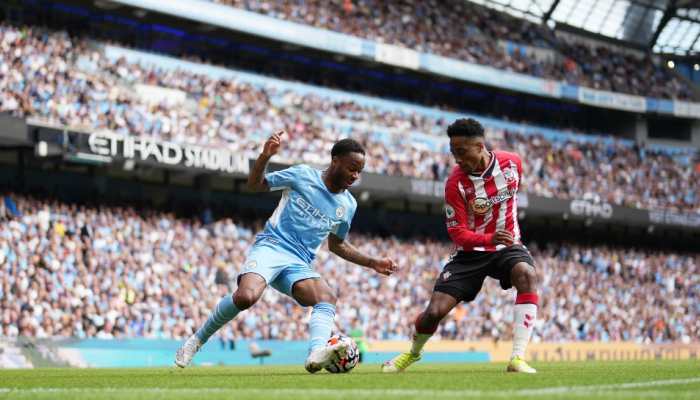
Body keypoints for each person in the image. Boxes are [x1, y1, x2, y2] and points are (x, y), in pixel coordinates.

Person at [175, 130, 398, 372]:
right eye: (351, 168)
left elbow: (337, 245)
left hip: (298, 263)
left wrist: (372, 262)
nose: (355, 176)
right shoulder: (303, 175)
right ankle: (195, 341)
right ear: (335, 161)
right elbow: (254, 185)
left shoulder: (348, 205)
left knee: (327, 297)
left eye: (359, 171)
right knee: (245, 297)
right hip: (272, 246)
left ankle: (315, 353)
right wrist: (264, 157)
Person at [381, 118, 540, 373]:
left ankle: (517, 358)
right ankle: (412, 353)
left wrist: (501, 236)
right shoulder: (455, 183)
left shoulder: (512, 163)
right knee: (434, 312)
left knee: (527, 275)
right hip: (470, 254)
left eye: (462, 152)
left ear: (480, 146)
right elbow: (457, 233)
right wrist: (489, 238)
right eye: (453, 152)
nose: (457, 159)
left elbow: (514, 195)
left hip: (507, 246)